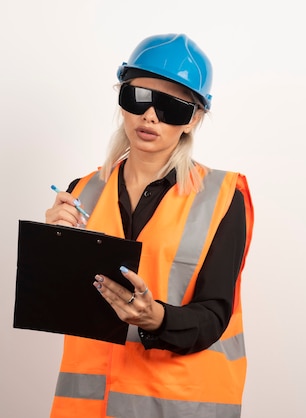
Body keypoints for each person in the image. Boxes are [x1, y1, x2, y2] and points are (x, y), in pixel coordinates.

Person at [44, 33, 254, 418]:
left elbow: (215, 314)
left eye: (172, 107)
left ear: (193, 120)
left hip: (176, 404)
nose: (151, 116)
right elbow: (59, 305)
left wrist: (155, 318)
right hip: (88, 407)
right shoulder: (81, 193)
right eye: (139, 97)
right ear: (122, 101)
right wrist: (54, 244)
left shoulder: (222, 197)